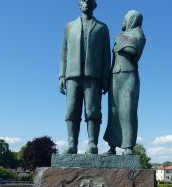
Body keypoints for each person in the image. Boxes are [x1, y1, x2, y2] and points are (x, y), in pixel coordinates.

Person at [59, 0, 111, 154]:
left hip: (93, 76)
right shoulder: (69, 27)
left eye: (90, 0)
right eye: (83, 0)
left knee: (93, 111)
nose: (86, 2)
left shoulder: (102, 28)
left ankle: (92, 144)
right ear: (79, 4)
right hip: (72, 75)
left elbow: (106, 55)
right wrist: (61, 75)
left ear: (94, 5)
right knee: (71, 110)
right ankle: (72, 144)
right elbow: (64, 53)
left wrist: (105, 76)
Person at [104, 10, 146, 155]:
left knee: (127, 111)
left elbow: (134, 51)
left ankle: (128, 146)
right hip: (115, 76)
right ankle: (112, 146)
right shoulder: (121, 35)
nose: (122, 21)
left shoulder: (138, 33)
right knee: (114, 112)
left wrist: (122, 41)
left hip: (129, 77)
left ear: (132, 19)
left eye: (125, 18)